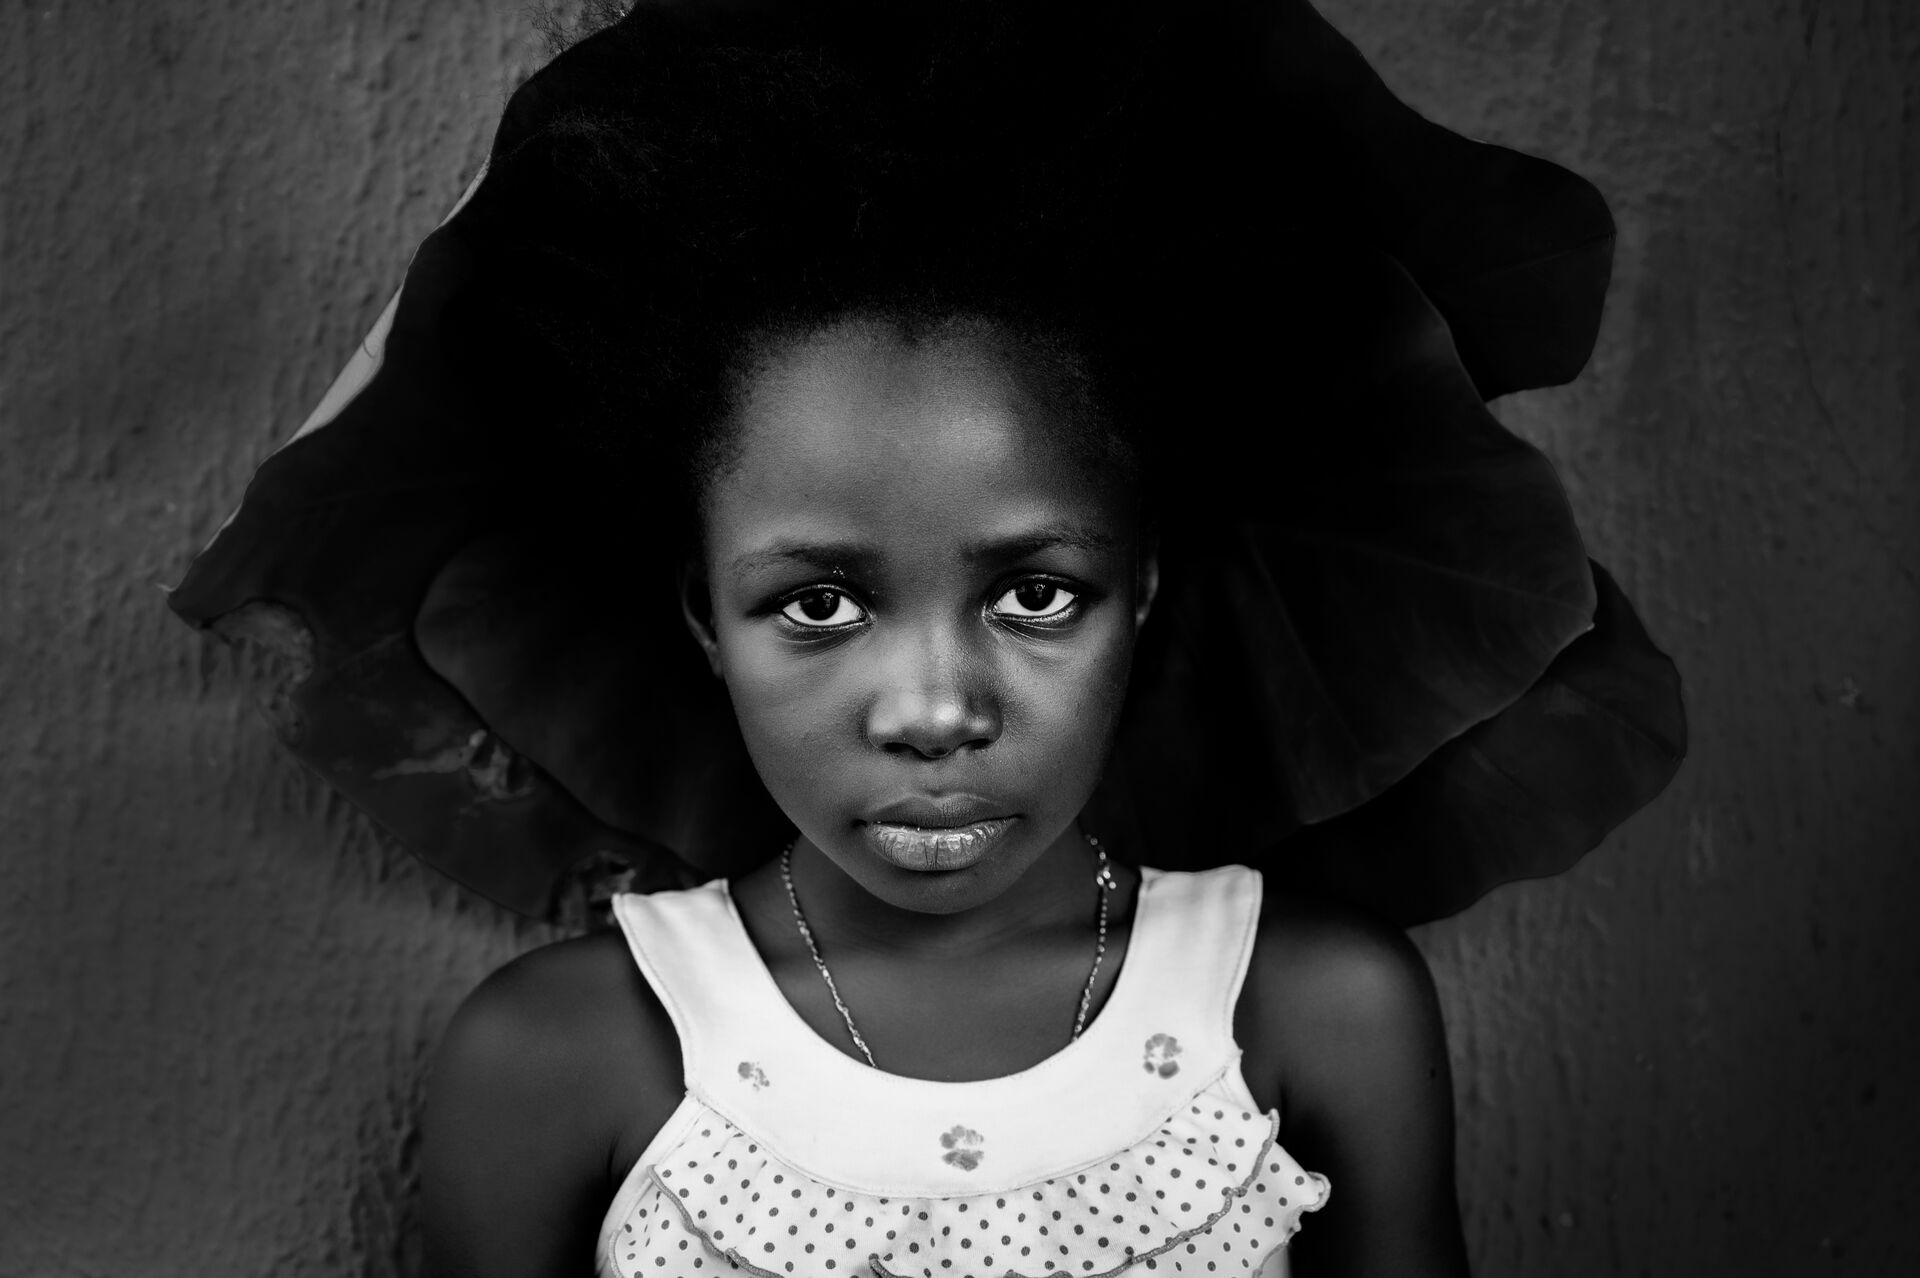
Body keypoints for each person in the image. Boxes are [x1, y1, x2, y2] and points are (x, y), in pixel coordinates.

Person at [165, 3, 1687, 1276]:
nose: (935, 706)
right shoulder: (566, 1057)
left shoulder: (1309, 1014)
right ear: (702, 616)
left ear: (1147, 588)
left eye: (1037, 595)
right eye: (820, 604)